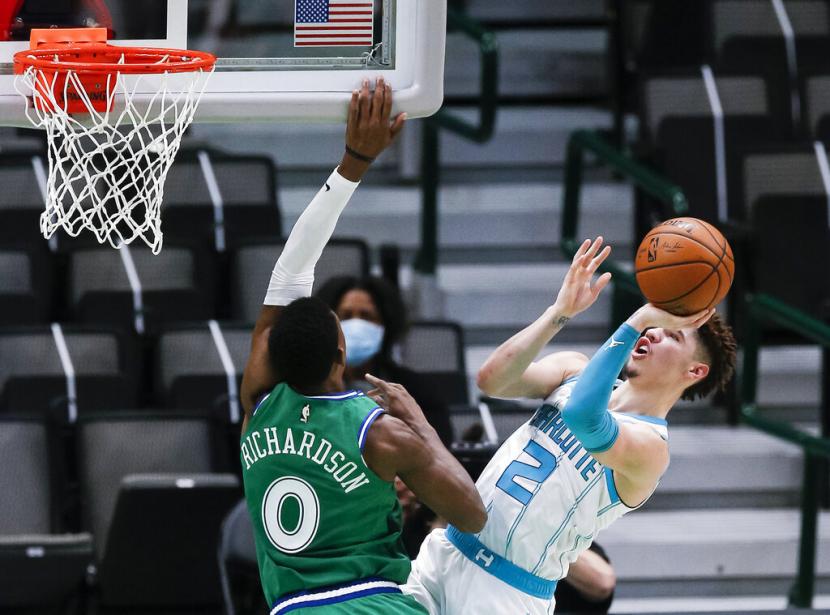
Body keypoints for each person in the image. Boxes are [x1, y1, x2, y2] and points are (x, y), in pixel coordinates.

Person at [239, 79, 486, 614]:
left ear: (269, 354)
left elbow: (289, 271)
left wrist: (352, 162)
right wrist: (420, 425)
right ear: (341, 356)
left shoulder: (256, 405)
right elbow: (471, 513)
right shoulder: (380, 431)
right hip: (372, 603)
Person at [402, 237, 737, 614]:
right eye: (654, 325)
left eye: (670, 333)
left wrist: (636, 320)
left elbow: (583, 417)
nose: (652, 332)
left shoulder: (651, 449)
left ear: (695, 371)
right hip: (448, 549)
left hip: (506, 592)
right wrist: (559, 312)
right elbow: (491, 380)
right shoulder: (574, 370)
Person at [316, 275, 454, 445]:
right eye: (346, 316)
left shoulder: (419, 392)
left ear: (385, 325)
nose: (356, 325)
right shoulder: (310, 389)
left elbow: (438, 450)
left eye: (366, 317)